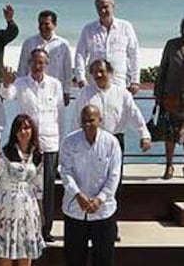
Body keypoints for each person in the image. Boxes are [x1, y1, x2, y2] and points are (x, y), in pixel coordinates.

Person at [71, 59, 151, 241]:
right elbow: (77, 120)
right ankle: (88, 225)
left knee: (113, 185)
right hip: (88, 142)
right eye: (94, 72)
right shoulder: (85, 93)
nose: (98, 75)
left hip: (114, 141)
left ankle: (110, 228)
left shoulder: (122, 94)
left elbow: (134, 115)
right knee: (88, 184)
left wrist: (144, 135)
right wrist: (69, 147)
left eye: (102, 71)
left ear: (110, 72)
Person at [0, 48, 64, 243]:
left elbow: (60, 115)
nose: (38, 66)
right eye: (35, 62)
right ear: (29, 63)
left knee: (47, 190)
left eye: (42, 62)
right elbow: (7, 94)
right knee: (27, 187)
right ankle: (28, 227)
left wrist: (60, 143)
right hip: (27, 144)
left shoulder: (55, 84)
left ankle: (46, 230)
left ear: (47, 64)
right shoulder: (20, 83)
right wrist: (6, 83)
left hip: (50, 143)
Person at [61, 105, 122, 266]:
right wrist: (78, 195)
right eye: (84, 121)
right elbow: (65, 172)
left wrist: (100, 199)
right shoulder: (69, 141)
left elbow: (114, 176)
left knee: (104, 259)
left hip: (103, 211)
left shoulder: (111, 143)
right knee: (74, 258)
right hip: (75, 210)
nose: (87, 124)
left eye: (91, 120)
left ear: (100, 120)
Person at [0, 114, 45, 265]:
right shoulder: (6, 152)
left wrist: (40, 211)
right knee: (5, 250)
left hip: (28, 206)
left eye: (26, 128)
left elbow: (38, 186)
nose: (23, 132)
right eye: (19, 129)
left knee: (26, 250)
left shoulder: (38, 155)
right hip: (7, 205)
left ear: (32, 130)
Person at [74, 0, 141, 94]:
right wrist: (80, 78)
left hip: (118, 81)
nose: (102, 11)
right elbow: (80, 54)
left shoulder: (125, 27)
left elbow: (134, 54)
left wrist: (135, 81)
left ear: (113, 7)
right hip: (95, 80)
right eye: (99, 8)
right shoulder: (88, 29)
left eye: (105, 7)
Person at [17, 9, 72, 106]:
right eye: (40, 23)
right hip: (32, 90)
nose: (43, 27)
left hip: (54, 90)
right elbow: (22, 67)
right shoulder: (29, 42)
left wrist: (67, 91)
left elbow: (67, 69)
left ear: (54, 25)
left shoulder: (63, 44)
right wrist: (19, 89)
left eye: (46, 24)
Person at [154, 18, 184, 179]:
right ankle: (169, 166)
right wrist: (158, 93)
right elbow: (163, 69)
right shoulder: (171, 45)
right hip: (171, 95)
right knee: (169, 133)